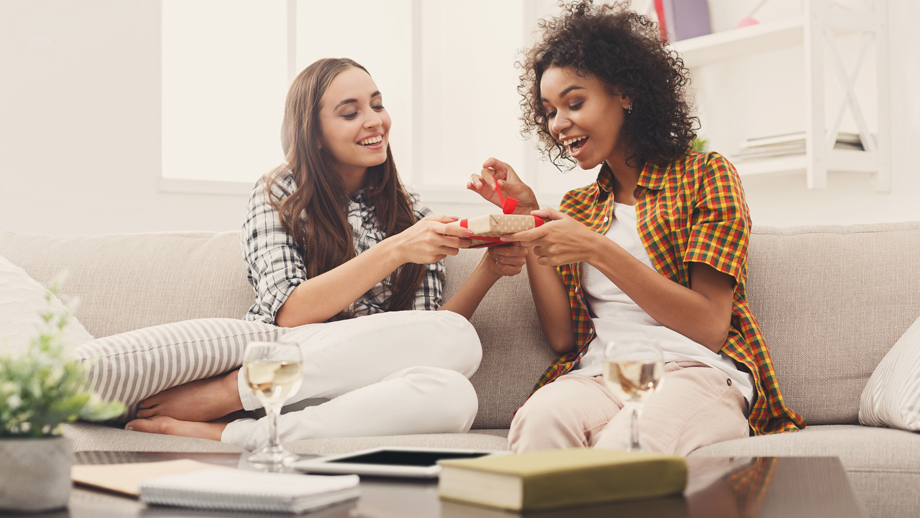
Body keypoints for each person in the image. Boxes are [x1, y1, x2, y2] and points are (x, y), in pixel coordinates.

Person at [125, 58, 527, 450]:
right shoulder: (281, 191)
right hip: (285, 374)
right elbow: (290, 312)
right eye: (350, 113)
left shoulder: (410, 214)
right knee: (459, 339)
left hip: (362, 394)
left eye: (377, 104)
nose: (374, 120)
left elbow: (430, 335)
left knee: (457, 395)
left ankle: (236, 437)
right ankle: (232, 391)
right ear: (314, 133)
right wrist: (398, 249)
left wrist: (489, 269)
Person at [467, 1, 804, 455]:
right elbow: (564, 338)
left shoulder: (706, 176)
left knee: (630, 442)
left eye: (574, 102)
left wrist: (596, 249)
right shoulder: (578, 206)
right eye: (549, 111)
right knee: (539, 422)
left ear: (625, 92)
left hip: (694, 370)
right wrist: (528, 216)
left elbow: (709, 325)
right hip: (605, 374)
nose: (559, 123)